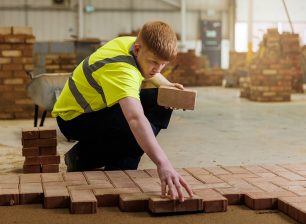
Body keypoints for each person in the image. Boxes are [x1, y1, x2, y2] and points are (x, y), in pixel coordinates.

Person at [52, 21, 193, 201]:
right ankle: (107, 167)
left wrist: (168, 86)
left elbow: (151, 69)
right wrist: (163, 163)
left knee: (163, 100)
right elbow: (134, 118)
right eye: (153, 62)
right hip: (75, 119)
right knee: (134, 130)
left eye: (163, 64)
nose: (158, 69)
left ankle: (88, 156)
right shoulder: (121, 70)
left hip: (99, 109)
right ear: (137, 49)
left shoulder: (132, 44)